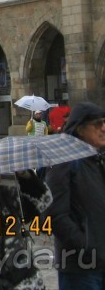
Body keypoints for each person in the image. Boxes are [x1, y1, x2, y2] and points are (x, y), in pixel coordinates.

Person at [46, 101, 105, 289]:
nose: (103, 128)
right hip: (80, 266)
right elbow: (55, 214)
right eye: (97, 124)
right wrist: (87, 247)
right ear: (80, 129)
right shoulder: (65, 161)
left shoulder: (97, 159)